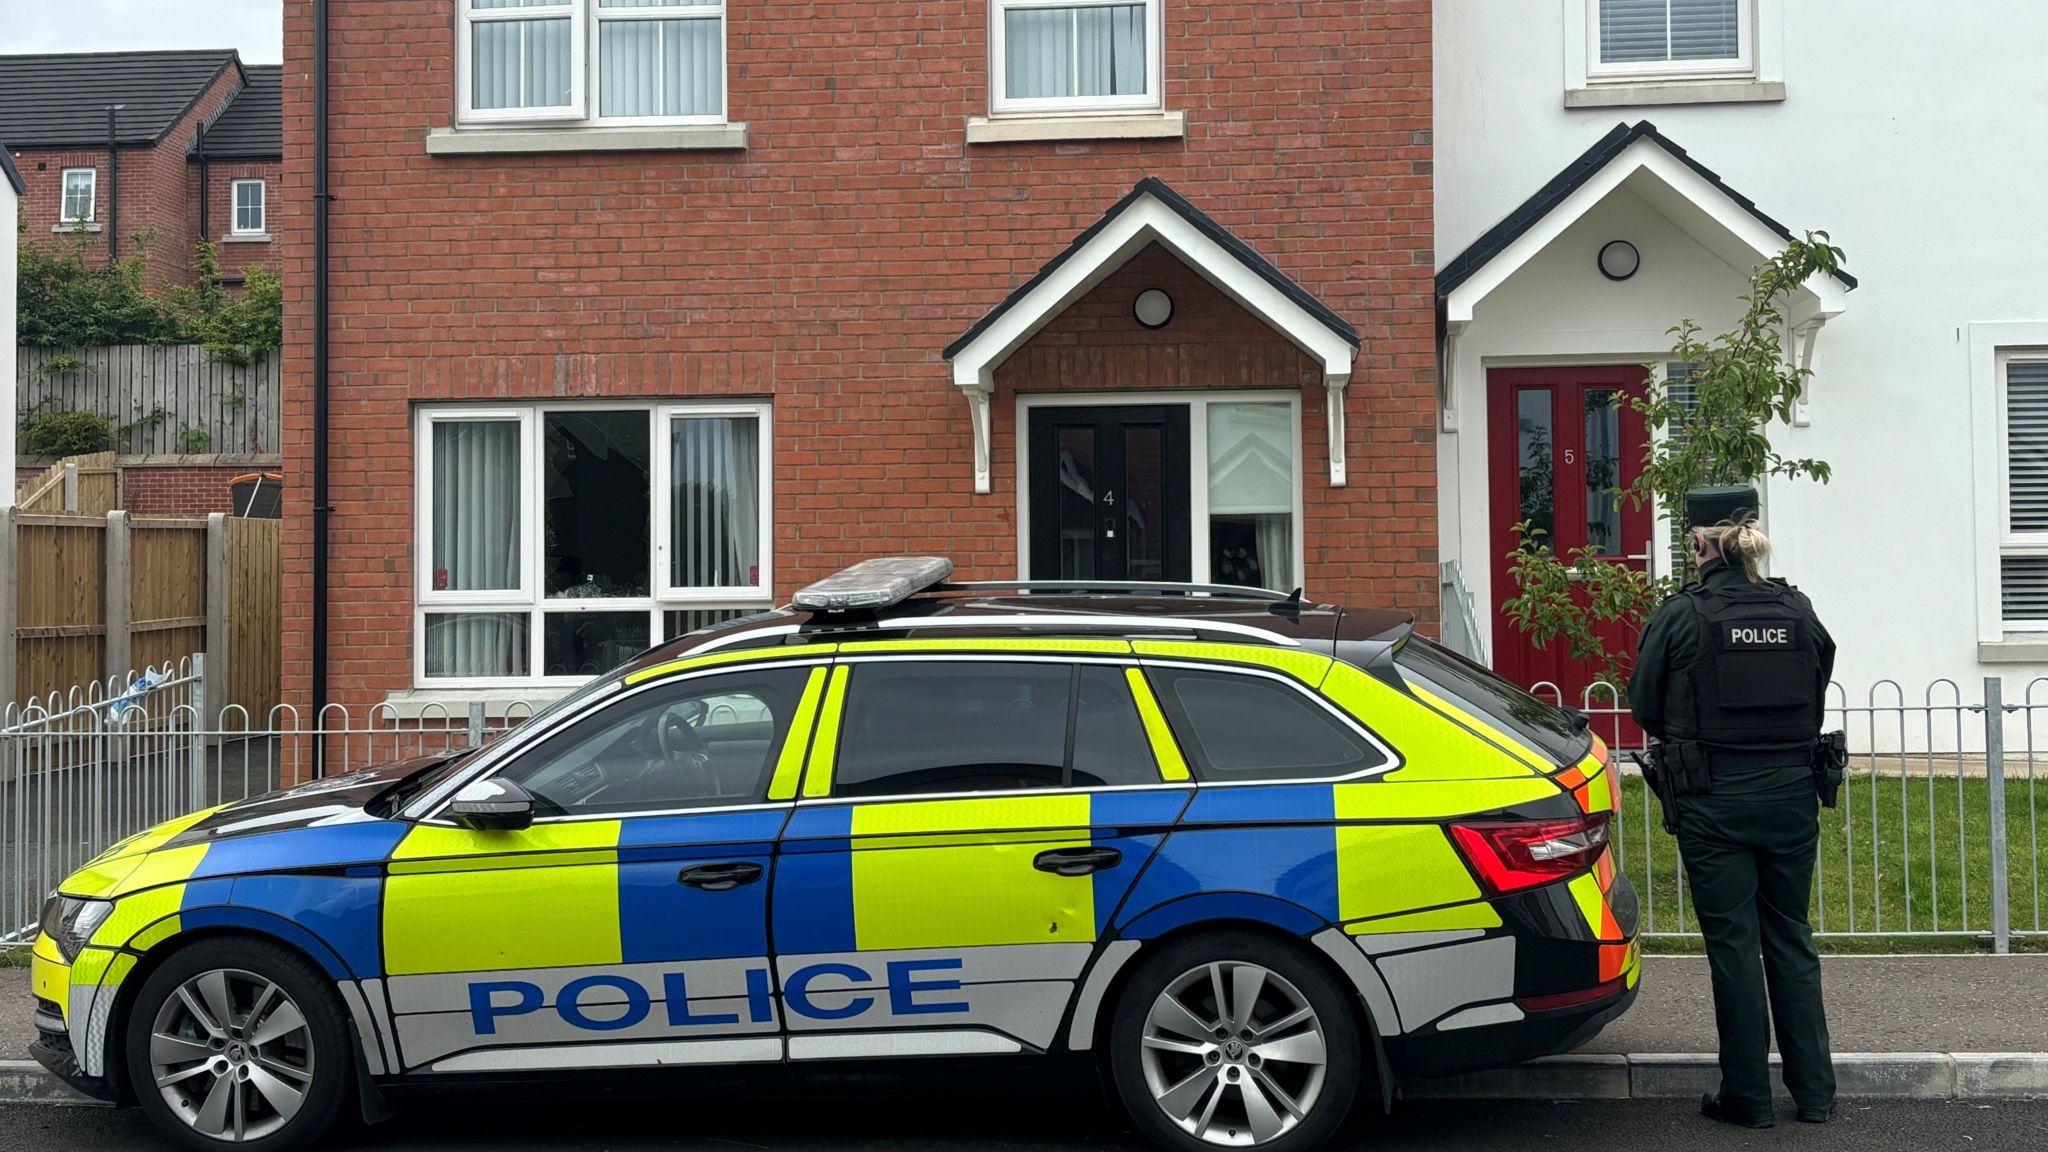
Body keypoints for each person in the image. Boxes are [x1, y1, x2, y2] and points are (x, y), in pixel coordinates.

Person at [1629, 485, 1837, 1129]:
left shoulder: (1684, 613)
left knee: (1734, 946)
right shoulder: (1797, 608)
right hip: (1792, 797)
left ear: (1699, 544)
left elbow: (1643, 704)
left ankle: (1747, 1097)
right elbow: (1818, 675)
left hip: (1713, 801)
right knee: (1791, 939)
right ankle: (1815, 1096)